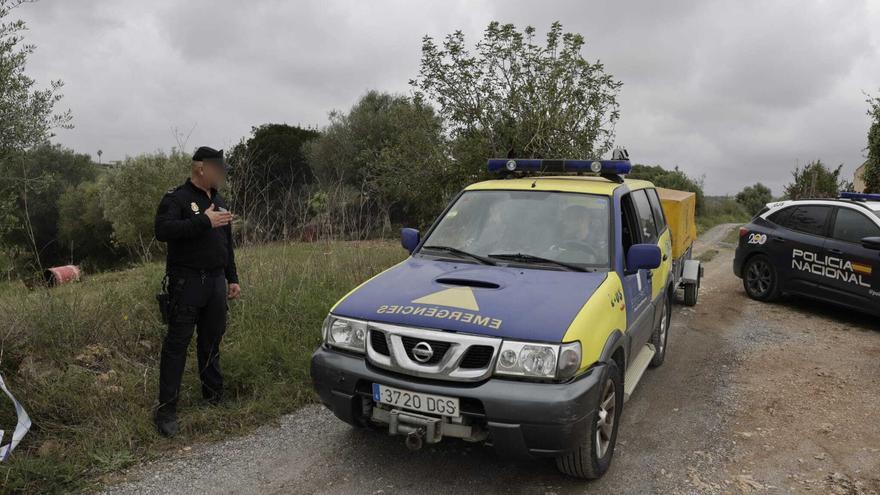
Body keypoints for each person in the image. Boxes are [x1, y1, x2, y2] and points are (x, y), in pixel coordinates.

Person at [153, 146, 241, 437]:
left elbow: (226, 246)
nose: (222, 175)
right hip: (186, 282)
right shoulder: (177, 198)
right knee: (177, 346)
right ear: (201, 168)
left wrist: (232, 278)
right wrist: (204, 221)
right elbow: (163, 231)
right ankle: (166, 411)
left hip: (216, 282)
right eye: (218, 169)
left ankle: (214, 395)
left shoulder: (220, 201)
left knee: (211, 341)